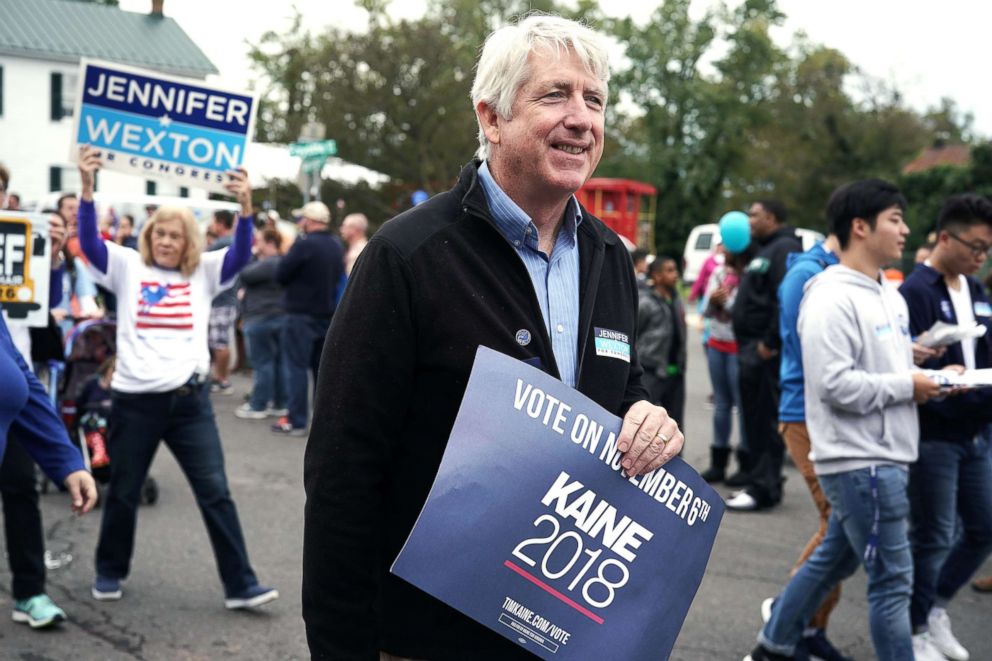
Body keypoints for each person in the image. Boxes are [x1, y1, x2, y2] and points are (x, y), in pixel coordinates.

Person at [301, 15, 685, 660]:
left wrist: (648, 419)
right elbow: (344, 472)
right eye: (554, 95)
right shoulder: (408, 255)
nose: (581, 118)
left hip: (563, 629)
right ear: (491, 117)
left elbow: (623, 388)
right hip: (429, 635)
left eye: (595, 100)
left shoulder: (609, 257)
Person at [745, 179, 943, 661]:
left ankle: (773, 646)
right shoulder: (829, 295)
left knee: (835, 556)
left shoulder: (888, 295)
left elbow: (884, 372)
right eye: (895, 219)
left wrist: (929, 376)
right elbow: (833, 385)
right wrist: (908, 386)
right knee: (893, 582)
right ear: (860, 227)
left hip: (884, 455)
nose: (906, 229)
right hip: (861, 461)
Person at [75, 146, 278, 610]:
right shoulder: (127, 265)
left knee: (216, 493)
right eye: (160, 233)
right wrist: (87, 188)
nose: (166, 241)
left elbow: (243, 251)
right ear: (150, 236)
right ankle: (109, 570)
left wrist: (245, 204)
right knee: (123, 492)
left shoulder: (204, 272)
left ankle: (240, 585)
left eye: (176, 235)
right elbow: (88, 245)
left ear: (190, 241)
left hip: (190, 404)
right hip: (135, 402)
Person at [0, 167, 98, 630]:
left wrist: (66, 459)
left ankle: (30, 591)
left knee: (21, 491)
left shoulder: (25, 246)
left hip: (17, 411)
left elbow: (18, 366)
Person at [899, 194, 992, 661]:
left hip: (978, 431)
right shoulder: (915, 291)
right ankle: (914, 629)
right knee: (933, 535)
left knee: (982, 528)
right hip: (935, 432)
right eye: (974, 246)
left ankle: (935, 608)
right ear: (944, 238)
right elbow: (901, 364)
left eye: (987, 249)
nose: (981, 256)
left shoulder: (976, 291)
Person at [726, 199, 802, 511]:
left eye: (754, 215)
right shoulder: (765, 248)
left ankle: (763, 487)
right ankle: (760, 481)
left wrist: (768, 343)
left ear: (771, 217)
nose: (749, 222)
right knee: (755, 420)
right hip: (750, 349)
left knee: (764, 420)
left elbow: (784, 298)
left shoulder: (783, 249)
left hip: (763, 353)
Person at [272, 201, 344, 436]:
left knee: (296, 368)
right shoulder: (335, 245)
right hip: (326, 314)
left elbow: (281, 274)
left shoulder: (304, 245)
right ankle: (322, 422)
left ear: (309, 220)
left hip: (300, 314)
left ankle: (296, 419)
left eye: (301, 219)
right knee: (320, 371)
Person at [700, 248, 749, 483]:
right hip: (716, 345)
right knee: (721, 404)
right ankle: (718, 463)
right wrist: (711, 301)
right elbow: (707, 312)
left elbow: (742, 314)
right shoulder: (718, 273)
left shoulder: (748, 276)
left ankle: (745, 465)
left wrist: (726, 302)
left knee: (743, 405)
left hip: (738, 348)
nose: (726, 251)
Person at [234, 229, 287, 419]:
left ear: (269, 242)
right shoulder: (284, 262)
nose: (257, 244)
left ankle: (258, 404)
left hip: (259, 318)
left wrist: (253, 255)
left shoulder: (267, 263)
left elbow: (243, 274)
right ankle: (280, 403)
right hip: (280, 317)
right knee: (279, 362)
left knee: (262, 363)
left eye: (260, 241)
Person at [637, 256, 686, 427]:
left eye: (675, 270)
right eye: (670, 270)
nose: (675, 274)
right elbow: (634, 334)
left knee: (675, 425)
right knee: (647, 422)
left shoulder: (677, 300)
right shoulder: (645, 303)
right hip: (652, 372)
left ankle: (676, 455)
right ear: (657, 276)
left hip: (676, 373)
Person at [207, 210, 239, 395]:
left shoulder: (221, 244)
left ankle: (222, 380)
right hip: (228, 299)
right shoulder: (231, 242)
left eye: (213, 221)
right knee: (222, 340)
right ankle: (222, 377)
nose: (211, 225)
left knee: (220, 342)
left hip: (222, 300)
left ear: (220, 223)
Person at [340, 212, 370, 276]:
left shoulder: (359, 251)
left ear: (354, 229)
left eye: (345, 226)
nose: (341, 229)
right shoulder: (362, 248)